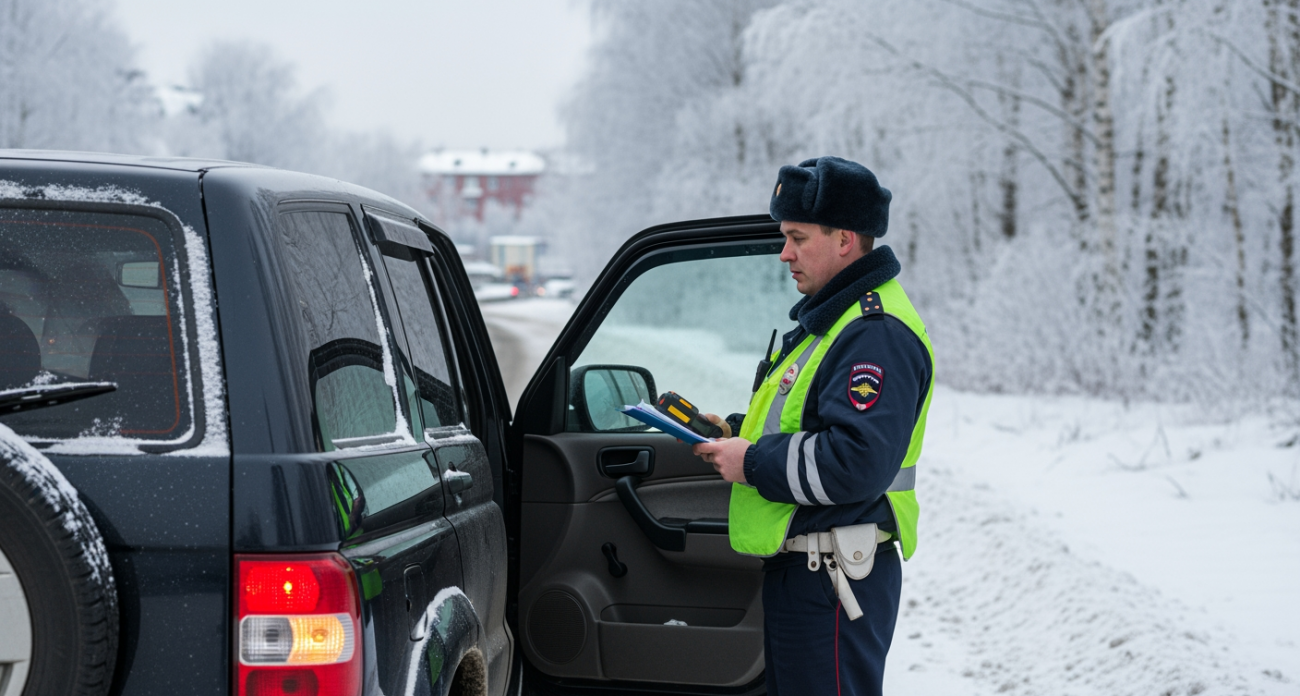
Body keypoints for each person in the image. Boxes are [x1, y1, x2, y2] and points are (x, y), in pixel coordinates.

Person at [692, 156, 934, 696]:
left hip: (832, 578)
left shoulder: (876, 332)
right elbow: (808, 421)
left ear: (845, 239)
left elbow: (857, 462)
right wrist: (734, 434)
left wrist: (750, 462)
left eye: (798, 238)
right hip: (815, 574)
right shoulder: (834, 321)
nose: (785, 253)